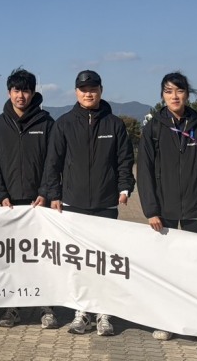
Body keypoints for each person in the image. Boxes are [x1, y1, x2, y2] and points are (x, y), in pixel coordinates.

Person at [43, 70, 135, 336]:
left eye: (93, 88)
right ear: (76, 92)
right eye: (83, 89)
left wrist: (125, 186)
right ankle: (81, 312)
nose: (88, 93)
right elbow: (53, 162)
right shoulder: (64, 123)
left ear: (101, 91)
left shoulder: (114, 124)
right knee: (79, 263)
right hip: (73, 204)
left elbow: (124, 160)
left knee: (104, 260)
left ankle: (104, 313)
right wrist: (55, 194)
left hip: (106, 203)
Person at [136, 72, 197, 342]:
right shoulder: (153, 128)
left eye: (179, 91)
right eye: (169, 91)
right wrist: (151, 209)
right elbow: (145, 172)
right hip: (165, 212)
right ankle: (166, 320)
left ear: (188, 93)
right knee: (167, 269)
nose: (174, 96)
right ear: (162, 95)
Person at [0, 67, 58, 330]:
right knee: (11, 258)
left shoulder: (47, 123)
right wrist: (1, 196)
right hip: (10, 205)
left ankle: (46, 307)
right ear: (9, 92)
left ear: (33, 92)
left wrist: (45, 193)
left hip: (40, 202)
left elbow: (53, 163)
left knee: (42, 257)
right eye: (16, 90)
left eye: (26, 90)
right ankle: (11, 308)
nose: (21, 95)